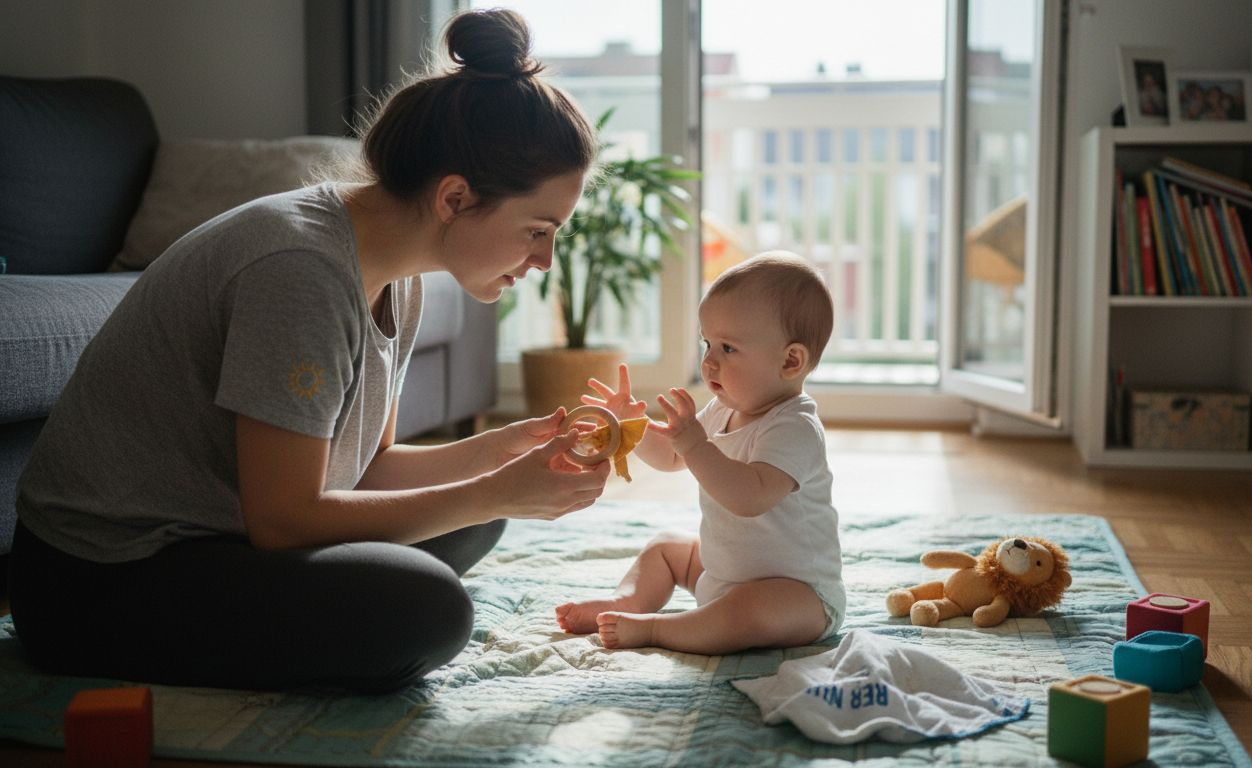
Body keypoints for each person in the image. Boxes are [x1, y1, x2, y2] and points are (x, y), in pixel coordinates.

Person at [8, 8, 610, 694]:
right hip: (99, 580)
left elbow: (367, 469)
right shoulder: (302, 268)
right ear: (454, 197)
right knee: (430, 607)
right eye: (537, 229)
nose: (544, 260)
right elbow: (285, 519)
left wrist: (498, 455)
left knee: (478, 519)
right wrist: (488, 489)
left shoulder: (399, 273)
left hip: (221, 536)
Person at [555, 252, 845, 655]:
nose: (708, 361)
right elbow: (672, 457)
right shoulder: (724, 409)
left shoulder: (795, 427)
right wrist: (630, 428)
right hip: (720, 573)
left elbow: (748, 497)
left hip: (797, 597)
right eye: (707, 343)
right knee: (666, 548)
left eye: (728, 348)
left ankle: (658, 630)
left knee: (748, 611)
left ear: (790, 360)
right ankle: (627, 601)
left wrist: (695, 444)